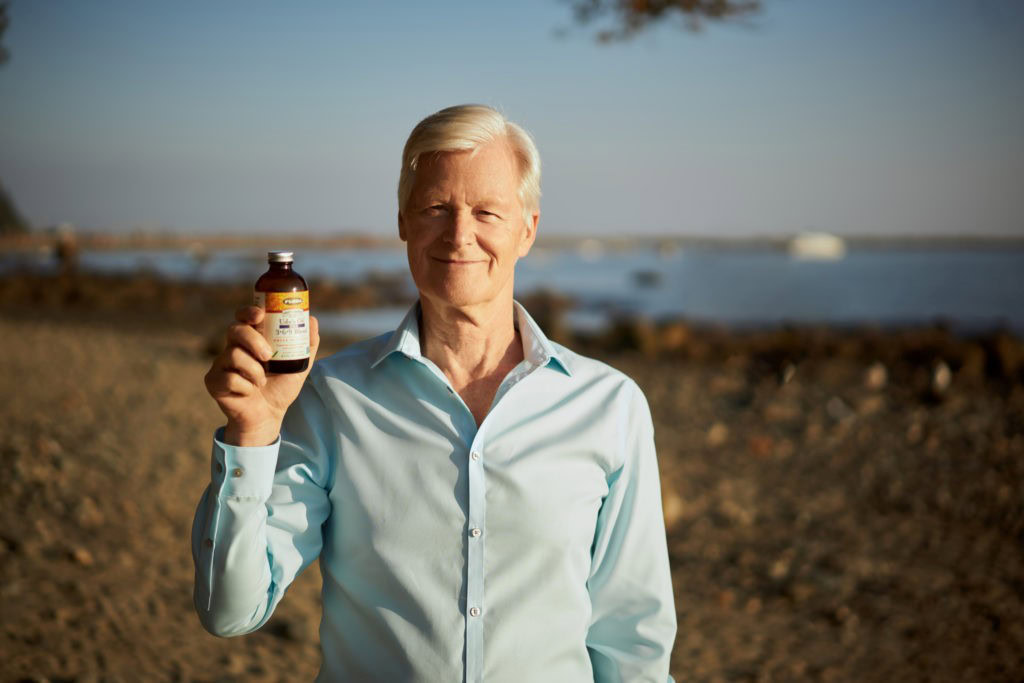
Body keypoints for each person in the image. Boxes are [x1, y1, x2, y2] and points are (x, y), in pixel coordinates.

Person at [192, 104, 677, 682]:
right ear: (403, 221)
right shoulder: (332, 397)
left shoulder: (610, 407)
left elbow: (633, 645)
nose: (459, 234)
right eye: (435, 209)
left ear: (528, 229)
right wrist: (252, 432)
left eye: (487, 212)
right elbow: (231, 611)